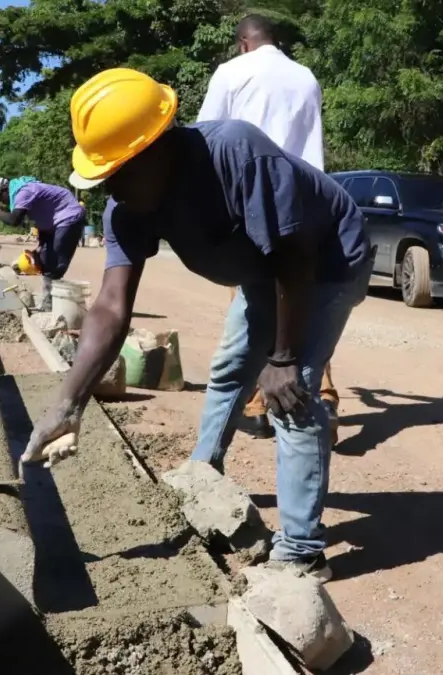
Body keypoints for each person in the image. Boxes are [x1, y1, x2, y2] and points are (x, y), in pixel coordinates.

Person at [23, 68, 373, 580]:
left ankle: (301, 552)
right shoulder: (127, 208)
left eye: (118, 170)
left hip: (326, 261)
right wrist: (67, 403)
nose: (110, 187)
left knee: (289, 395)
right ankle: (201, 481)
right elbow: (111, 305)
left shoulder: (237, 153)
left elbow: (296, 254)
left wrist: (283, 358)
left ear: (158, 147)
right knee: (231, 369)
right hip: (268, 270)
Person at [197, 13, 341, 444]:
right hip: (308, 199)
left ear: (243, 42)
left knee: (254, 308)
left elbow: (206, 138)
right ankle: (326, 396)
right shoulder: (306, 77)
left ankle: (258, 407)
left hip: (252, 201)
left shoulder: (232, 72)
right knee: (301, 302)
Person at [0, 176, 86, 312]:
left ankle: (51, 307)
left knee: (54, 264)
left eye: (0, 199)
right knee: (43, 259)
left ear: (4, 191)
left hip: (68, 217)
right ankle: (50, 304)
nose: (2, 202)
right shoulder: (20, 191)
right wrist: (41, 245)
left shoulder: (23, 192)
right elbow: (42, 216)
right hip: (55, 223)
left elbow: (14, 220)